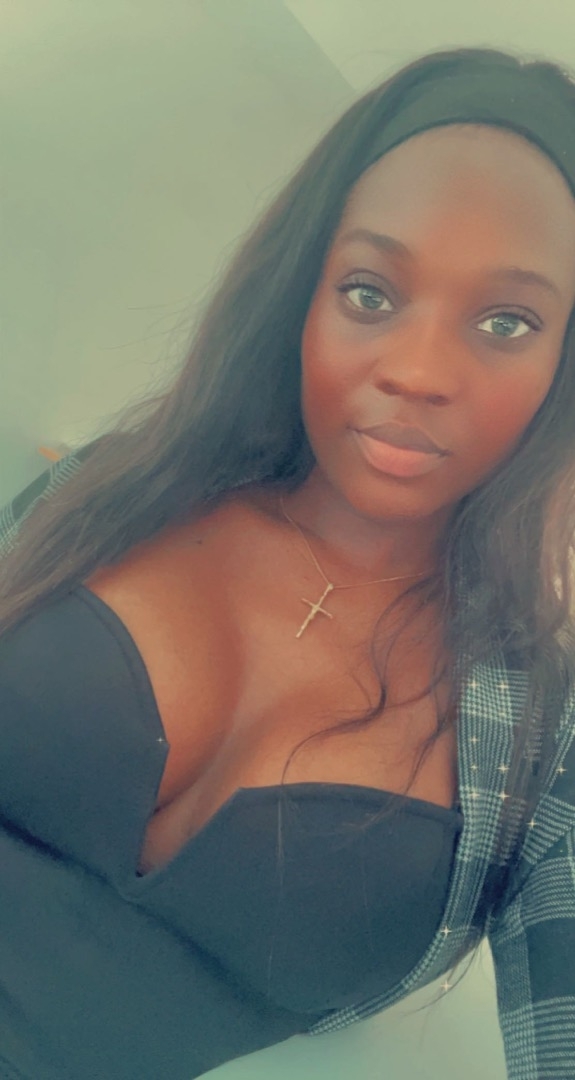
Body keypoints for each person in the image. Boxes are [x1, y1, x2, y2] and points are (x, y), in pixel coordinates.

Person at [1, 45, 575, 1080]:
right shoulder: (112, 488)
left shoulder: (544, 742)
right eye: (368, 293)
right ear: (303, 292)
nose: (415, 371)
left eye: (506, 321)